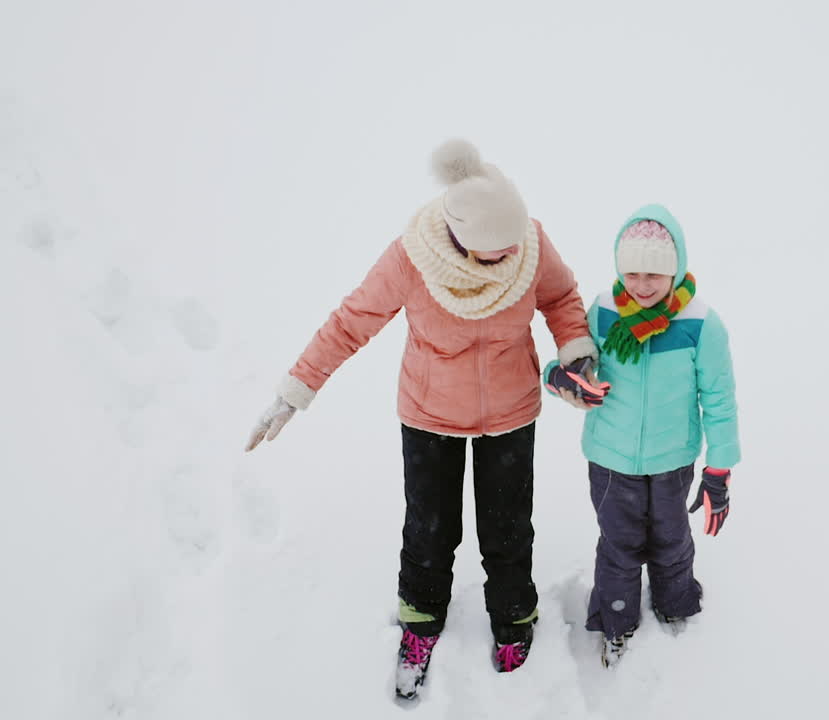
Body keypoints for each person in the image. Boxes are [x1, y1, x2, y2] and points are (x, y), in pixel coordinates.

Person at [244, 139, 597, 698]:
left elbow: (561, 298)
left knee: (507, 530)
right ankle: (421, 622)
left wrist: (576, 351)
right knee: (430, 532)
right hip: (430, 414)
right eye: (495, 250)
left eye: (514, 246)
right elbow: (350, 322)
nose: (510, 256)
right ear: (460, 238)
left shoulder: (527, 242)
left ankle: (514, 619)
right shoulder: (413, 257)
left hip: (510, 411)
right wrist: (296, 391)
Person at [543, 204, 740, 667]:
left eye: (654, 274)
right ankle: (616, 619)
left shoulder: (700, 324)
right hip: (610, 459)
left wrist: (719, 467)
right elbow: (566, 366)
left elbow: (720, 398)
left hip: (672, 459)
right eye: (632, 272)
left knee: (671, 538)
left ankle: (677, 605)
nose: (642, 285)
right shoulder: (603, 314)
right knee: (619, 542)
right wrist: (564, 379)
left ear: (675, 271)